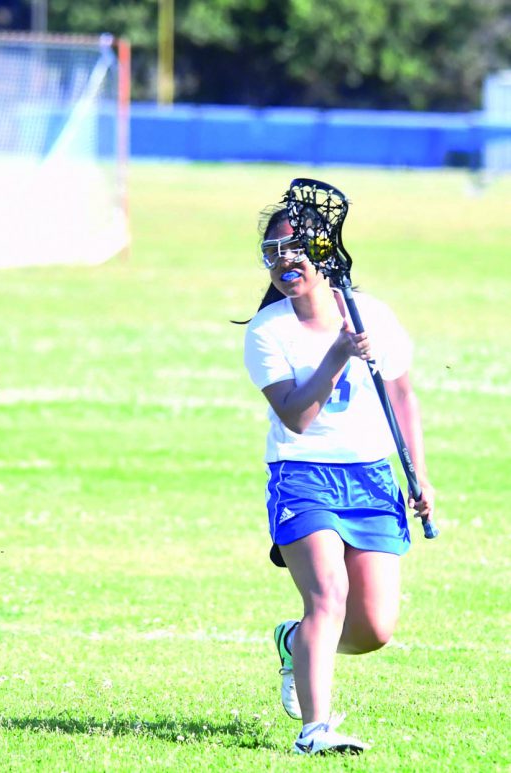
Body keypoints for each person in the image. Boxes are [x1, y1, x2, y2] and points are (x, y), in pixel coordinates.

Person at [241, 202, 435, 755]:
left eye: (295, 248)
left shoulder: (372, 312)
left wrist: (418, 474)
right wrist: (337, 355)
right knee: (327, 596)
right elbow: (297, 418)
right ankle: (314, 730)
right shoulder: (266, 331)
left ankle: (293, 641)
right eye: (272, 253)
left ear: (323, 251)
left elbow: (401, 394)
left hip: (371, 477)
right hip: (302, 476)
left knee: (373, 629)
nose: (283, 261)